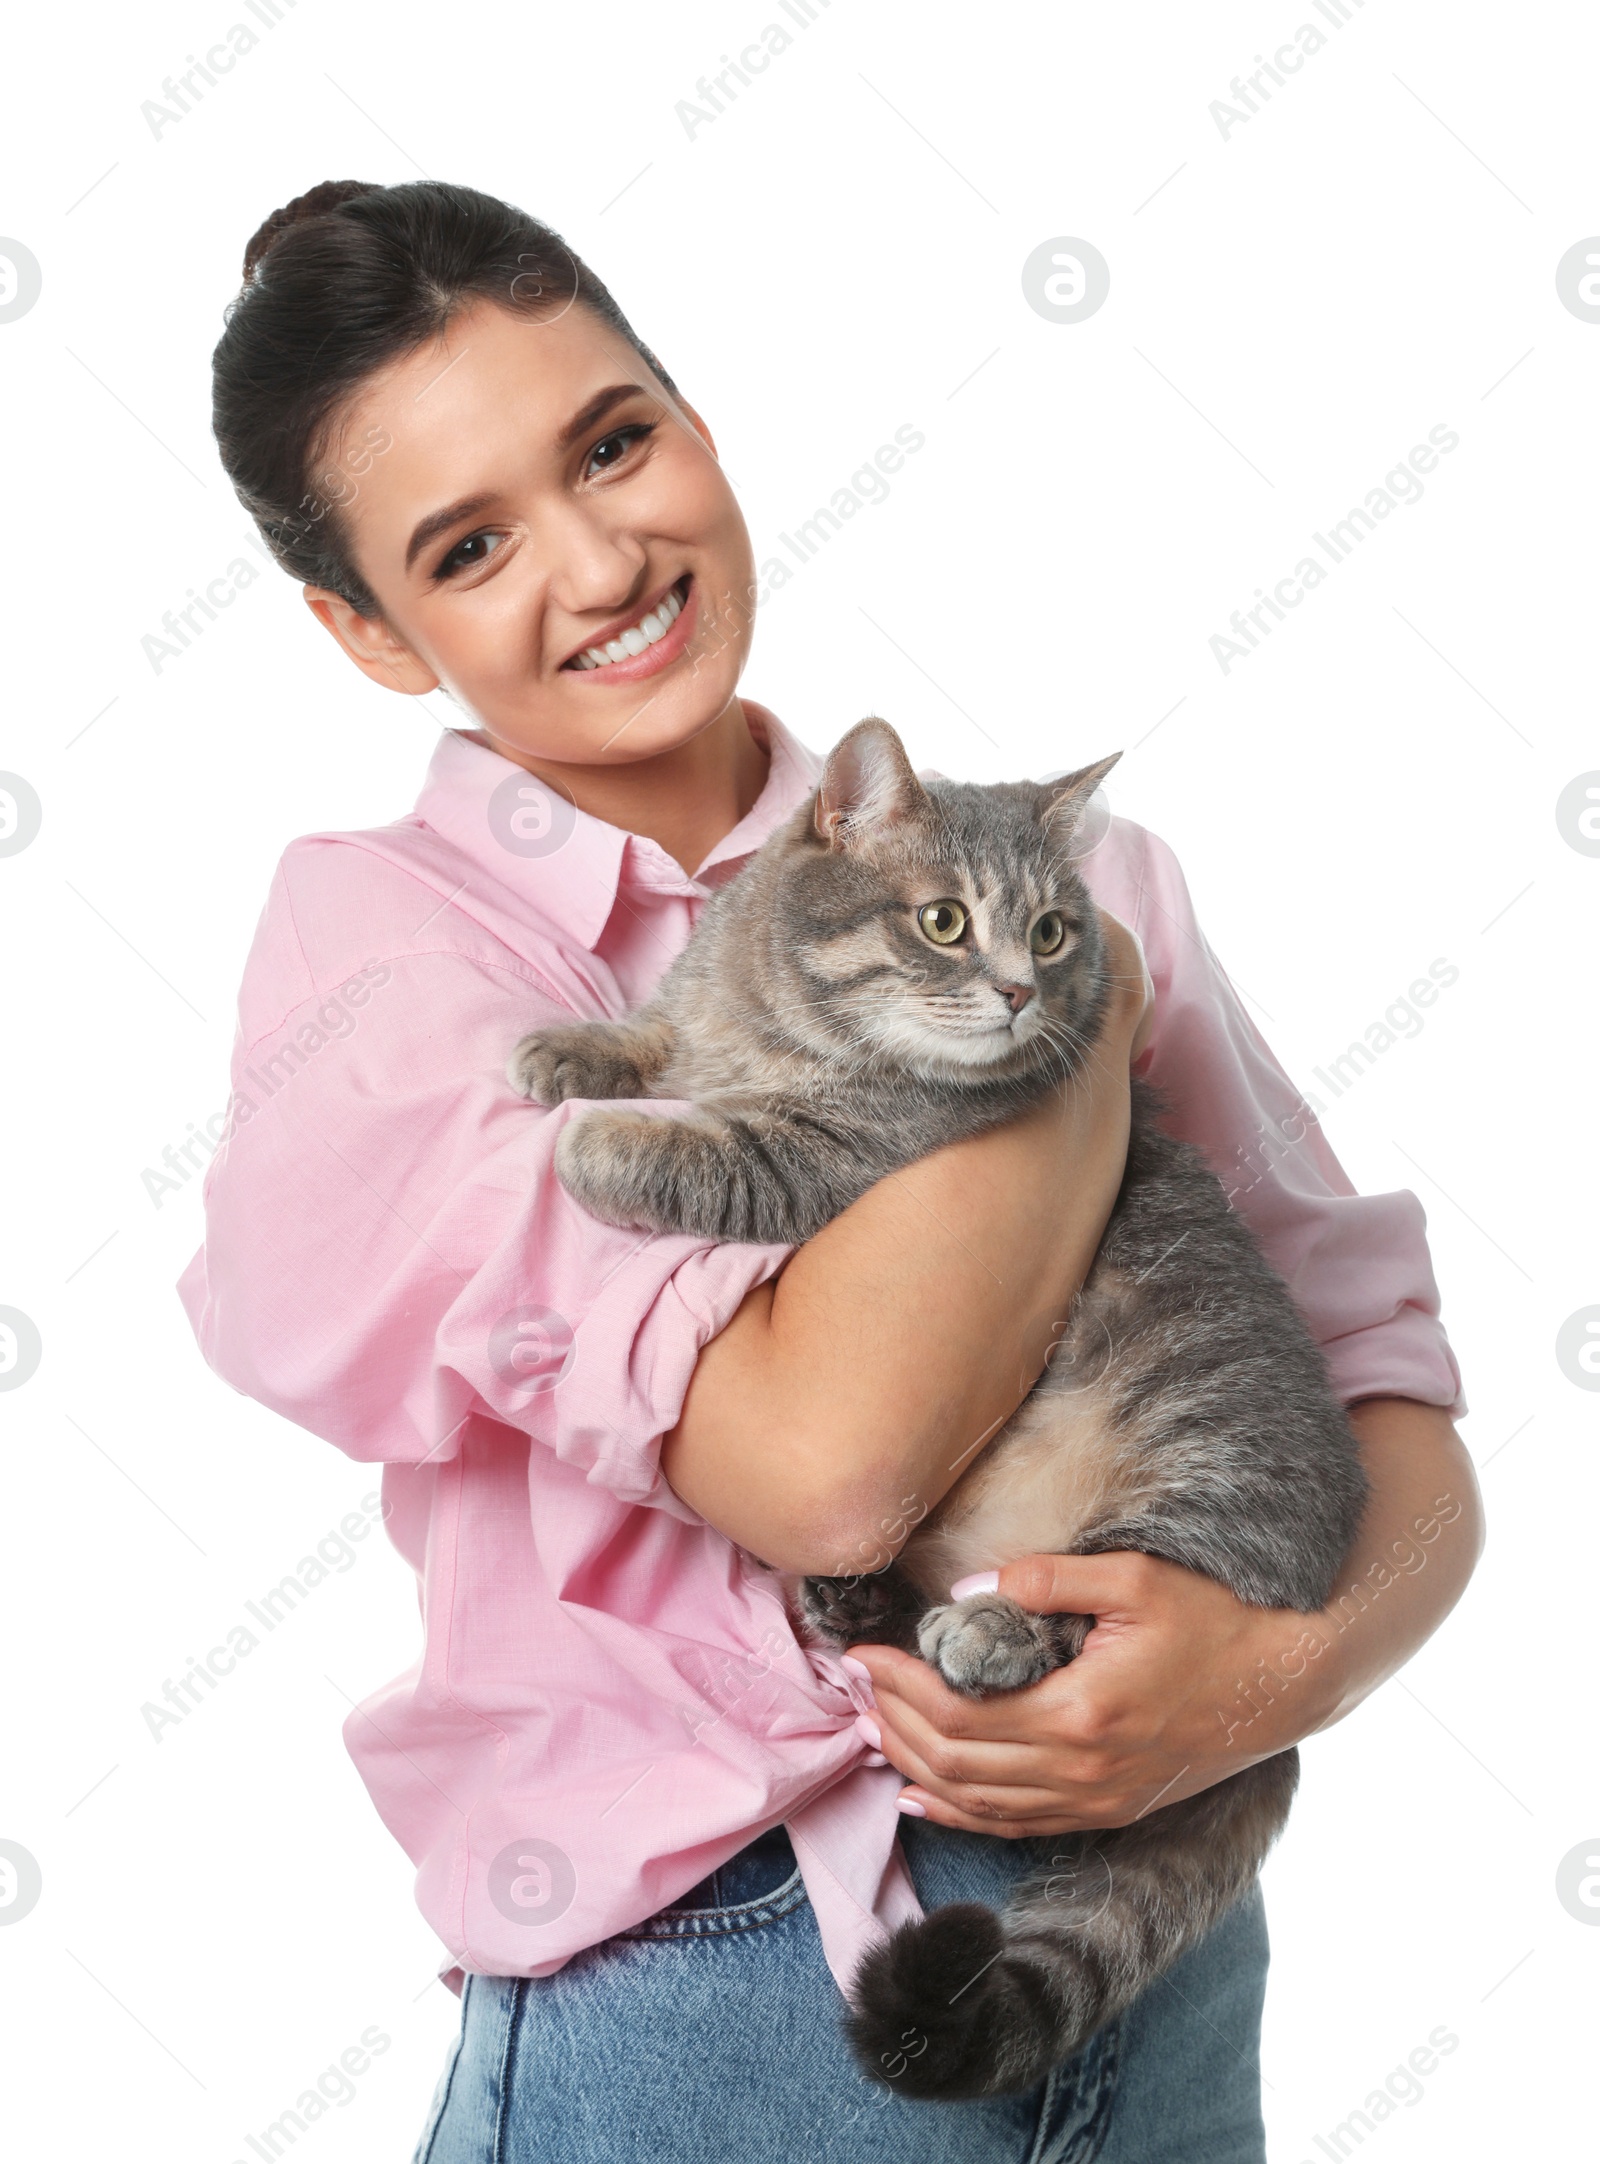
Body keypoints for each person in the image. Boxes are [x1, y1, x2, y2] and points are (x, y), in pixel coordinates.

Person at [184, 179, 1481, 2163]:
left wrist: (1276, 1670)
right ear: (369, 632)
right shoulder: (388, 952)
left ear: (697, 419)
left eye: (613, 439)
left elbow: (1382, 1395)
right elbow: (828, 1464)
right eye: (467, 544)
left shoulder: (1061, 871)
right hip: (718, 1996)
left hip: (1148, 1956)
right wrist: (1070, 1020)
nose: (602, 555)